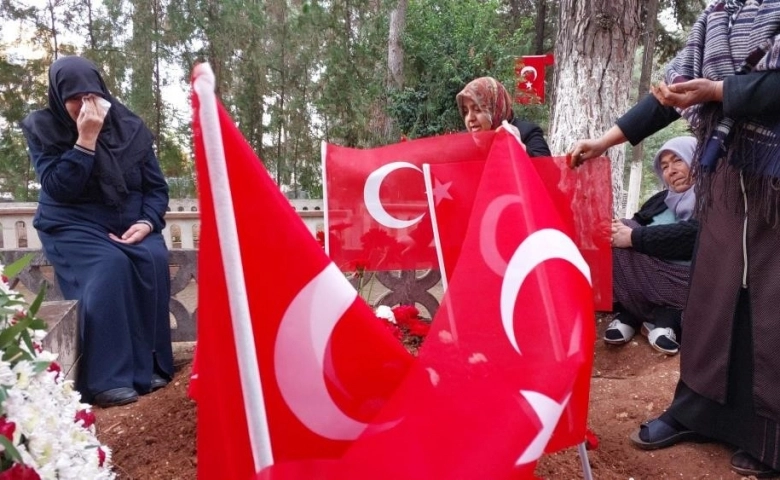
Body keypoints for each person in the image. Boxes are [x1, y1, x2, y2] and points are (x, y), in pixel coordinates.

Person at [569, 0, 780, 475]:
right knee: (711, 294)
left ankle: (770, 436)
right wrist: (606, 140)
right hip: (724, 174)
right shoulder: (717, 16)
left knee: (770, 300)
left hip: (774, 177)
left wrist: (723, 90)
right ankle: (696, 412)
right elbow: (673, 94)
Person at [20, 56, 174, 408]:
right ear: (59, 99)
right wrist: (85, 139)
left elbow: (156, 188)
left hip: (130, 220)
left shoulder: (131, 128)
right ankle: (109, 378)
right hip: (72, 222)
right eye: (75, 98)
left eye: (93, 95)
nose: (86, 105)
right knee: (110, 266)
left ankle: (151, 364)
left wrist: (147, 222)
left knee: (152, 257)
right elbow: (59, 188)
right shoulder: (43, 128)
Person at [605, 136, 698, 355]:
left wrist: (635, 237)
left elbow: (696, 235)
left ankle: (661, 320)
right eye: (664, 166)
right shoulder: (661, 199)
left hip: (691, 283)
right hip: (651, 277)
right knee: (619, 228)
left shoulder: (713, 197)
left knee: (626, 232)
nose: (671, 171)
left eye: (678, 161)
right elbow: (636, 223)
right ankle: (630, 314)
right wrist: (625, 231)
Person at [456, 76, 551, 157]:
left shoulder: (527, 133)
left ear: (495, 107)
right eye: (465, 111)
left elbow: (549, 171)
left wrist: (519, 147)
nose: (470, 118)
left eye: (477, 109)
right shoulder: (463, 142)